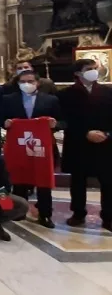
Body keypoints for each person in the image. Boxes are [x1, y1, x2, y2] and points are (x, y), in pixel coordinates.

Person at [57, 59, 112, 231]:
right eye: (89, 69)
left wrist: (107, 134)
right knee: (78, 181)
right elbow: (65, 120)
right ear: (78, 73)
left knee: (108, 181)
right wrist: (85, 133)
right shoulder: (66, 94)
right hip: (78, 142)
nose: (94, 72)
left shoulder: (107, 92)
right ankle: (78, 213)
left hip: (104, 142)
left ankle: (109, 216)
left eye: (95, 69)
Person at [2, 70, 62, 228]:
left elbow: (63, 120)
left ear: (38, 83)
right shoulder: (9, 100)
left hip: (41, 146)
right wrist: (5, 123)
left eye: (30, 81)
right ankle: (19, 211)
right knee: (19, 179)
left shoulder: (50, 100)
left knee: (43, 180)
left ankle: (45, 214)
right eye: (23, 81)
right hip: (19, 146)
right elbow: (0, 118)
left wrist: (55, 124)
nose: (26, 84)